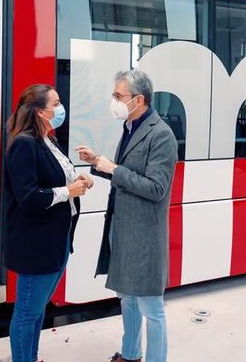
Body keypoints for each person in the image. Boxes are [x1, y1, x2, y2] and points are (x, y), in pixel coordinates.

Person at [77, 70, 178, 362]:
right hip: (124, 229)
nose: (114, 101)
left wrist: (114, 169)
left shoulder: (161, 134)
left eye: (118, 96)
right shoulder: (131, 126)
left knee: (152, 309)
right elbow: (128, 174)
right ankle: (131, 354)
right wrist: (98, 162)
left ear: (139, 100)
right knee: (128, 300)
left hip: (144, 235)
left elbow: (157, 188)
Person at [4, 84, 94, 362]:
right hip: (37, 243)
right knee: (27, 312)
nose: (60, 108)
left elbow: (55, 178)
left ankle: (31, 357)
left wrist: (79, 180)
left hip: (57, 239)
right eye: (55, 104)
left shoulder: (48, 140)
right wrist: (69, 191)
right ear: (40, 112)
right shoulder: (24, 144)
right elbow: (28, 197)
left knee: (38, 308)